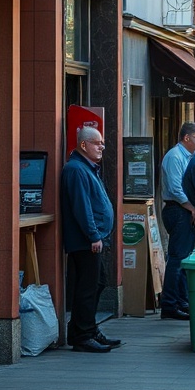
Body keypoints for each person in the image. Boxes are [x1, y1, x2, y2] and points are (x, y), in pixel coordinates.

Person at [60, 126, 119, 353]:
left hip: (92, 239)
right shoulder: (76, 169)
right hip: (85, 241)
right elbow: (82, 207)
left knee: (98, 282)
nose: (102, 146)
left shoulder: (86, 168)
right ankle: (83, 335)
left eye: (102, 142)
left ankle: (85, 329)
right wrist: (94, 235)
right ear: (83, 145)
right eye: (97, 143)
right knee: (88, 286)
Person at [158, 121, 195, 321]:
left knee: (184, 259)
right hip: (178, 210)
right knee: (177, 259)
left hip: (182, 210)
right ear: (186, 138)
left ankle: (181, 302)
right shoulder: (175, 157)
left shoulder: (188, 156)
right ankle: (169, 305)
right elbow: (176, 189)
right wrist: (191, 207)